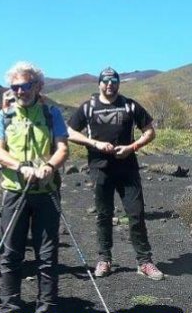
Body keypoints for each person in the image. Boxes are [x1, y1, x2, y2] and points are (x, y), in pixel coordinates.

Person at [0, 62, 69, 313]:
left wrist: (49, 165)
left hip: (46, 193)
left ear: (38, 86)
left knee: (47, 258)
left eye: (25, 86)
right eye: (15, 87)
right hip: (15, 192)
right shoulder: (5, 116)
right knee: (10, 255)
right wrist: (20, 165)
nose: (20, 91)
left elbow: (62, 147)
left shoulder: (51, 114)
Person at [67, 67, 163, 281]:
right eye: (105, 81)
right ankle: (104, 259)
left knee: (136, 213)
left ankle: (145, 261)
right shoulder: (89, 107)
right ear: (99, 83)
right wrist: (94, 143)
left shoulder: (129, 105)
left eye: (114, 81)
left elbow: (149, 131)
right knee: (103, 214)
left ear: (118, 83)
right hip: (100, 168)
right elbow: (70, 131)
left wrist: (132, 147)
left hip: (127, 168)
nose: (109, 84)